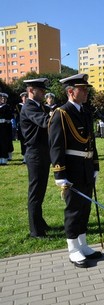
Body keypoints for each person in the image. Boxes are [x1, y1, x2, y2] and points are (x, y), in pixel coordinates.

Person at [49, 73, 101, 268]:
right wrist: (59, 174)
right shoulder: (61, 114)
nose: (87, 92)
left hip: (86, 167)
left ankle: (83, 245)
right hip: (71, 168)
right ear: (71, 92)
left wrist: (95, 165)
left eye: (87, 89)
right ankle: (73, 249)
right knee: (74, 209)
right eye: (83, 89)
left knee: (85, 207)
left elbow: (91, 141)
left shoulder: (85, 111)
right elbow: (56, 146)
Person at [20, 78, 52, 237]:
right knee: (36, 192)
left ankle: (40, 222)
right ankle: (35, 230)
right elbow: (45, 122)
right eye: (41, 91)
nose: (44, 93)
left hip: (43, 153)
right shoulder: (29, 107)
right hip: (35, 154)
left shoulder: (40, 106)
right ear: (31, 90)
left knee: (40, 191)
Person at [0, 92, 14, 165]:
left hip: (4, 127)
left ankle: (4, 158)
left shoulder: (7, 107)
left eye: (3, 98)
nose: (2, 99)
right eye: (1, 98)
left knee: (4, 142)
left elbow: (10, 116)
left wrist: (5, 120)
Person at [16, 92, 28, 163]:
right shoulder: (18, 106)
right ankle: (24, 156)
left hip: (28, 125)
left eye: (26, 97)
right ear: (21, 98)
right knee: (22, 141)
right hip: (21, 125)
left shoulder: (30, 105)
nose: (25, 98)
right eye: (23, 97)